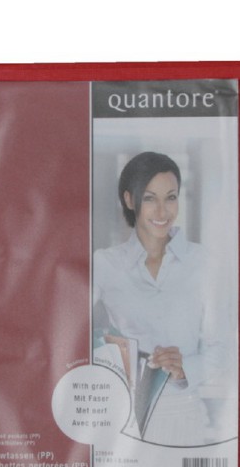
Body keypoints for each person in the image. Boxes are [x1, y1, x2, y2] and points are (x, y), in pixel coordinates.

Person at [93, 151, 230, 446]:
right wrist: (109, 354)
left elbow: (223, 348)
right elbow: (66, 330)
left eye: (171, 198)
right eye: (149, 198)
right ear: (130, 200)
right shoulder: (105, 264)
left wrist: (183, 368)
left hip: (185, 416)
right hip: (123, 416)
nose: (162, 211)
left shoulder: (204, 262)